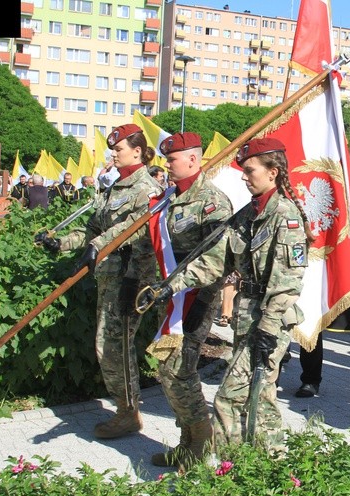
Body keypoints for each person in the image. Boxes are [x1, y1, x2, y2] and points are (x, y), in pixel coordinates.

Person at [139, 137, 311, 452]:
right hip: (248, 315)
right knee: (260, 394)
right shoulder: (247, 215)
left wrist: (269, 327)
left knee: (230, 396)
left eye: (250, 170)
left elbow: (288, 280)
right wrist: (171, 286)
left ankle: (218, 466)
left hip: (270, 320)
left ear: (272, 172)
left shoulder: (284, 214)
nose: (244, 177)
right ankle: (271, 463)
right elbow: (214, 260)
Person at [36, 124, 164, 439]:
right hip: (110, 279)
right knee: (107, 345)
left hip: (131, 280)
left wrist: (97, 246)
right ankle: (126, 408)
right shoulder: (115, 188)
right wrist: (62, 243)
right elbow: (94, 231)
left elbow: (136, 230)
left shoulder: (147, 189)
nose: (113, 154)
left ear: (137, 150)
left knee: (114, 348)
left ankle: (127, 413)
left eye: (118, 149)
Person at [144, 132, 232, 469]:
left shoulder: (212, 201)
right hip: (169, 295)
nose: (167, 164)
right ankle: (187, 440)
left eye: (173, 158)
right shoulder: (168, 197)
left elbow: (217, 257)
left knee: (179, 369)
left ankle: (200, 441)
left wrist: (180, 285)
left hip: (197, 295)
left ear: (193, 160)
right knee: (167, 369)